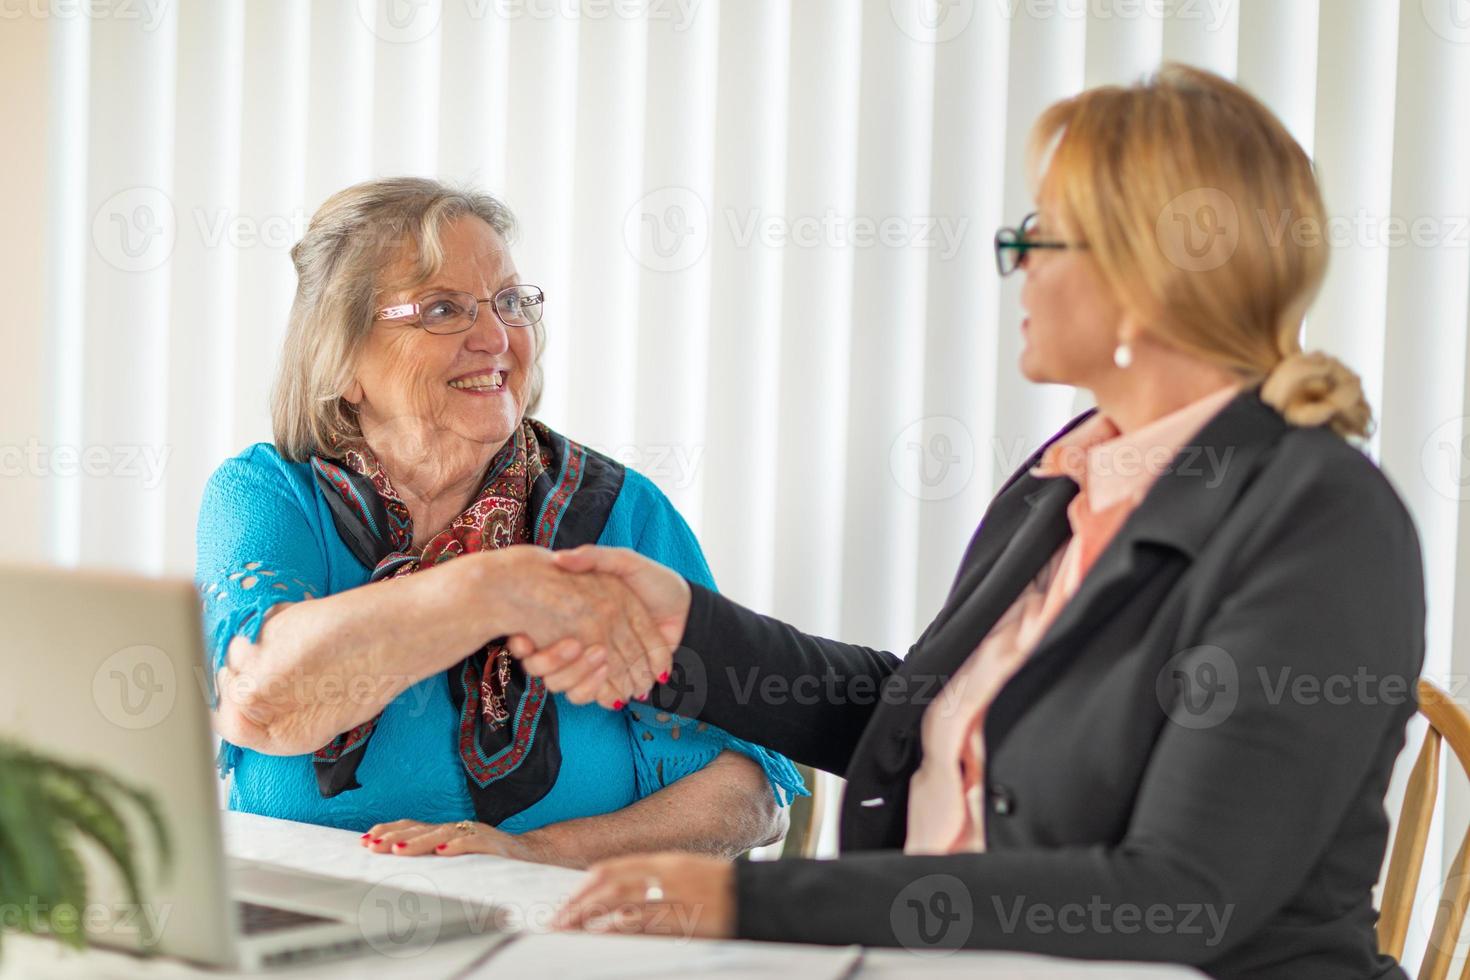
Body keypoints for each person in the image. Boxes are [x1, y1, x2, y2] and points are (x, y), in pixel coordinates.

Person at [519, 66, 1425, 978]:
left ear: (1145, 275)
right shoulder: (1068, 475)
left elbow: (1181, 895)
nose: (1016, 259)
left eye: (1041, 233)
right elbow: (929, 717)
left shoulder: (1322, 522)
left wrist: (749, 904)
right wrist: (689, 633)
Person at [195, 177, 803, 868]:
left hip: (558, 935)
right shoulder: (271, 496)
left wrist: (532, 854)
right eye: (442, 309)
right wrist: (488, 590)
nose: (496, 336)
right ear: (345, 359)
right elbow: (263, 703)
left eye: (510, 302)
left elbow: (746, 796)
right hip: (303, 931)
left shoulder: (618, 514)